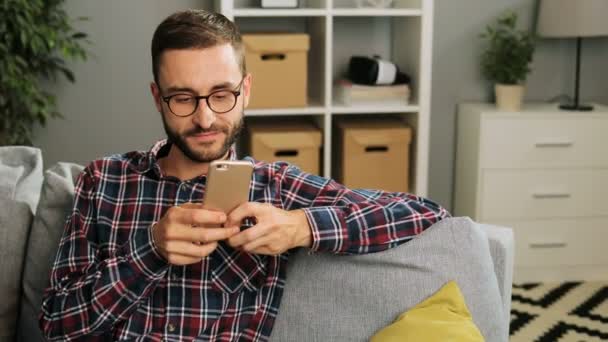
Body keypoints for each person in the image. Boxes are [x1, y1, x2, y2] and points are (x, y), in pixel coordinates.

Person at [39, 9, 450, 341]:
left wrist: (300, 225)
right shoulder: (104, 180)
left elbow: (423, 212)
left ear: (246, 90)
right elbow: (56, 324)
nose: (205, 118)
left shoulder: (276, 187)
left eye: (222, 95)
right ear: (157, 99)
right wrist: (150, 251)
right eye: (183, 98)